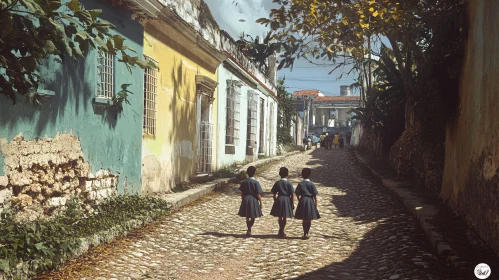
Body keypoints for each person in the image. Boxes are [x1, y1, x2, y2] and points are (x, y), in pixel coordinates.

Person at [294, 168, 320, 239]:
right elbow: (314, 195)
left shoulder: (300, 184)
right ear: (310, 175)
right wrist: (316, 203)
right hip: (310, 200)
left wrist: (300, 200)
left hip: (303, 200)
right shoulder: (312, 184)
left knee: (304, 218)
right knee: (309, 217)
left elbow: (297, 194)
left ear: (302, 175)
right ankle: (307, 232)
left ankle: (304, 232)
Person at [238, 166, 263, 237]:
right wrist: (261, 202)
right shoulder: (256, 182)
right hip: (253, 200)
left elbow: (242, 193)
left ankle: (248, 228)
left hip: (246, 199)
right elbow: (258, 194)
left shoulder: (244, 182)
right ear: (254, 173)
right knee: (253, 215)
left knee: (247, 215)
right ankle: (249, 228)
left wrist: (243, 200)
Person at [270, 167, 295, 237]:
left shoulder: (277, 183)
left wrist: (275, 201)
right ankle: (282, 229)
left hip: (279, 198)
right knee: (284, 216)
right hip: (287, 199)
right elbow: (292, 194)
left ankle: (280, 229)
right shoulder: (289, 183)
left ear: (279, 174)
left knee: (280, 216)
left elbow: (274, 194)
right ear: (287, 174)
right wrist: (292, 202)